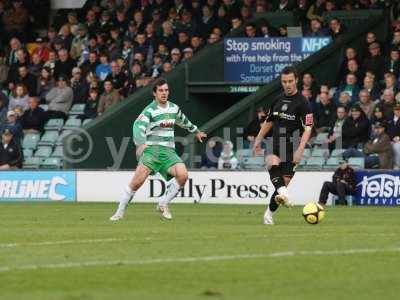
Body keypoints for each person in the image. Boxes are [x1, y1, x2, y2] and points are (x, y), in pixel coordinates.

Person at [110, 78, 207, 221]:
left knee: (183, 175)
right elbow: (138, 126)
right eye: (160, 90)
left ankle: (163, 203)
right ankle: (119, 212)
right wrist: (141, 144)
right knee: (136, 183)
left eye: (166, 90)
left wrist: (196, 131)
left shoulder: (173, 108)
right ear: (154, 93)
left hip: (169, 152)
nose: (164, 93)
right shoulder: (150, 110)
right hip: (152, 151)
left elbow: (183, 121)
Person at [254, 66, 313, 225]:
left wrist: (301, 149)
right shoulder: (277, 100)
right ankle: (284, 194)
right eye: (284, 81)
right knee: (272, 163)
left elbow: (308, 128)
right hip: (274, 142)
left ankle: (268, 214)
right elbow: (269, 122)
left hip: (293, 145)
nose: (287, 84)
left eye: (290, 81)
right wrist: (258, 139)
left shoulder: (303, 103)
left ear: (296, 81)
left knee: (283, 183)